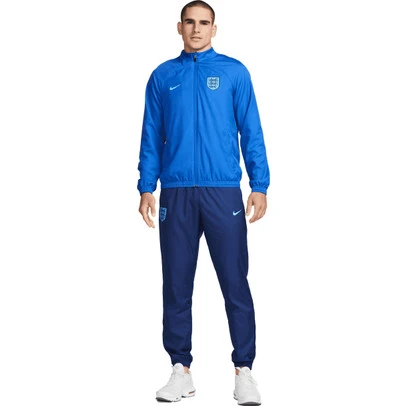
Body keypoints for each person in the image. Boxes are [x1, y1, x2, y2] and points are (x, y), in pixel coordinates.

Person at [137, 1, 270, 404]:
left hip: (222, 191)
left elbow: (251, 130)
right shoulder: (163, 76)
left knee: (234, 282)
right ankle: (180, 369)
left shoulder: (234, 73)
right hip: (176, 193)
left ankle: (244, 370)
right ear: (179, 27)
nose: (196, 29)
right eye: (190, 22)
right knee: (176, 284)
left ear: (215, 28)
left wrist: (259, 184)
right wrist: (146, 187)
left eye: (204, 23)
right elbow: (151, 134)